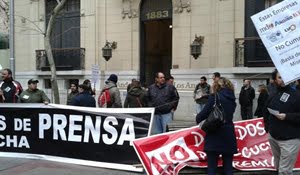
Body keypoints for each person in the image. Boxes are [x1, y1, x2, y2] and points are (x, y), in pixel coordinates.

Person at [196, 77, 237, 175]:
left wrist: (198, 118)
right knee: (228, 167)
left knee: (212, 167)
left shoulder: (214, 96)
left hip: (215, 133)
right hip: (228, 134)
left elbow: (203, 114)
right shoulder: (232, 99)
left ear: (216, 86)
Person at [264, 69, 300, 175]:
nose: (282, 80)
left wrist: (287, 116)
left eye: (285, 77)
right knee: (278, 166)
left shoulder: (297, 95)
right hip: (274, 136)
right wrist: (268, 129)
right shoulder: (273, 93)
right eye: (279, 77)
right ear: (274, 79)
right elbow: (265, 110)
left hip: (290, 139)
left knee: (285, 171)